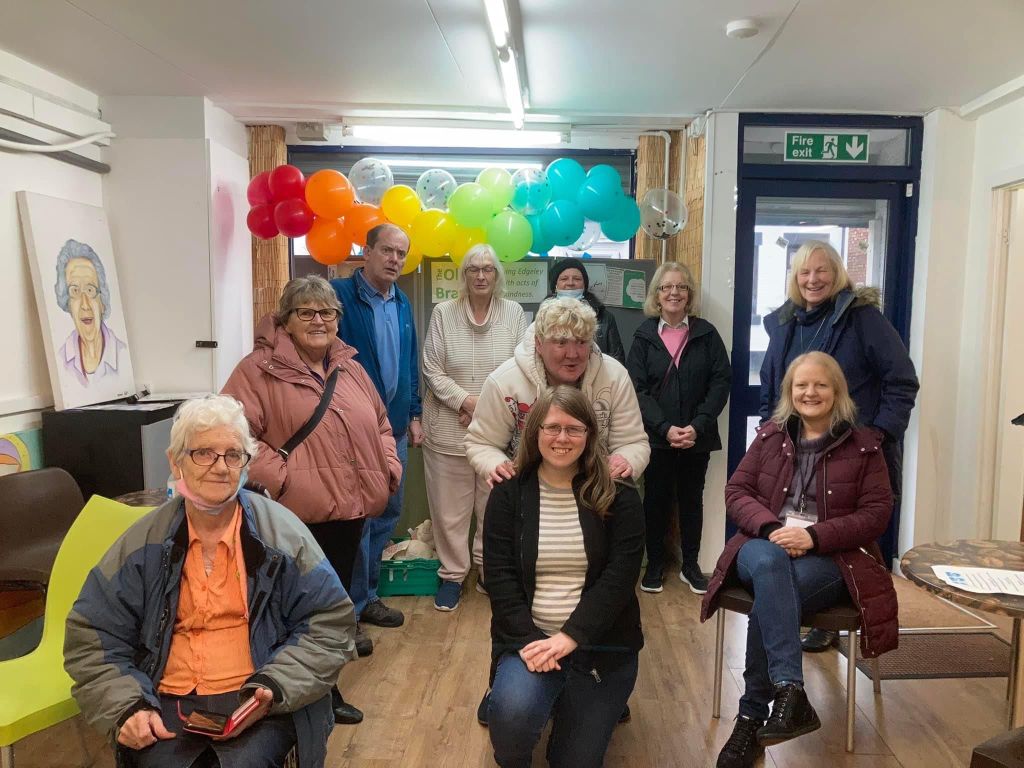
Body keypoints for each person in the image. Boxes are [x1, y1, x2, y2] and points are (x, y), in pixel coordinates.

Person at [65, 395, 354, 768]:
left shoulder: (284, 537)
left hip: (257, 697)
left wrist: (274, 686)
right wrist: (126, 706)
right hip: (163, 699)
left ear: (245, 464)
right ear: (176, 461)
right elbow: (92, 636)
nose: (220, 467)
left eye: (233, 455)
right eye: (203, 453)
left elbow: (329, 624)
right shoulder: (141, 545)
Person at [701, 353, 898, 768]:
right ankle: (790, 690)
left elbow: (876, 514)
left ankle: (751, 717)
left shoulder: (865, 446)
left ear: (837, 391)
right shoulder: (770, 437)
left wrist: (813, 536)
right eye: (801, 385)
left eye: (820, 385)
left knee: (771, 597)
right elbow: (737, 492)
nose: (810, 393)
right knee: (771, 568)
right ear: (789, 392)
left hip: (829, 556)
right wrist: (773, 528)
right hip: (762, 543)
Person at [221, 275, 402, 724]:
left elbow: (381, 422)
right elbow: (233, 433)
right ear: (286, 320)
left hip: (349, 511)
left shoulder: (350, 366)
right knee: (298, 609)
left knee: (332, 607)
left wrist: (387, 468)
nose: (319, 321)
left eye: (327, 313)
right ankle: (299, 694)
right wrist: (283, 480)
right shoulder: (257, 369)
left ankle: (323, 689)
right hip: (295, 515)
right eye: (306, 312)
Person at [758, 239, 917, 651]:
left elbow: (901, 381)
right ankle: (792, 624)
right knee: (793, 536)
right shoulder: (785, 322)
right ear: (794, 278)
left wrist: (877, 436)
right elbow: (772, 386)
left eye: (822, 270)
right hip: (795, 455)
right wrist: (768, 433)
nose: (813, 280)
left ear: (838, 274)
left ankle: (825, 614)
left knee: (840, 537)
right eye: (804, 272)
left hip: (851, 460)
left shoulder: (863, 319)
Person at [483, 386, 644, 768]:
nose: (562, 438)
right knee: (511, 717)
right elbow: (500, 579)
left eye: (574, 429)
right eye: (552, 427)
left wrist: (570, 637)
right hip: (531, 641)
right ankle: (524, 696)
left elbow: (620, 579)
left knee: (575, 761)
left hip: (600, 644)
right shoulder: (508, 493)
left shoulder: (619, 493)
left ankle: (575, 702)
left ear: (589, 434)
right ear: (535, 431)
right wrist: (531, 642)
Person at [421, 244, 527, 611]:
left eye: (488, 269)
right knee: (449, 511)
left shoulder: (514, 313)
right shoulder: (443, 313)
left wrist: (484, 410)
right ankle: (452, 575)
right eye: (473, 269)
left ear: (497, 275)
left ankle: (486, 570)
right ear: (463, 275)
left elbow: (522, 366)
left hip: (497, 433)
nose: (481, 275)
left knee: (493, 507)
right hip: (448, 428)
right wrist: (468, 403)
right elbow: (432, 369)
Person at [330, 223, 423, 633]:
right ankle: (347, 613)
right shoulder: (338, 297)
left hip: (395, 430)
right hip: (353, 432)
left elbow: (409, 363)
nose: (394, 260)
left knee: (388, 512)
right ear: (366, 252)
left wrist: (415, 413)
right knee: (357, 519)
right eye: (387, 250)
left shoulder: (401, 302)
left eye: (401, 253)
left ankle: (367, 598)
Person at [465, 296, 649, 488]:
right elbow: (482, 442)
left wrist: (625, 460)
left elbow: (633, 442)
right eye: (561, 343)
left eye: (581, 342)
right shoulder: (504, 381)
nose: (573, 354)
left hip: (596, 489)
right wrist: (496, 464)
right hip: (526, 490)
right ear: (538, 343)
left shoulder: (615, 377)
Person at [626, 261, 731, 595]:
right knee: (655, 501)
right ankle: (655, 565)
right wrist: (664, 427)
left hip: (697, 438)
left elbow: (720, 382)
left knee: (691, 501)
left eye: (681, 287)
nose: (674, 292)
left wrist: (697, 426)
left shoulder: (706, 334)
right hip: (657, 438)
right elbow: (636, 388)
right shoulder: (644, 336)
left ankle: (691, 566)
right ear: (657, 295)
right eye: (667, 287)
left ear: (690, 294)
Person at [54, 239, 129, 386]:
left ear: (102, 300)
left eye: (90, 290)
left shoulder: (122, 354)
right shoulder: (61, 359)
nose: (85, 305)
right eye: (75, 291)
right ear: (67, 302)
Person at [547, 257, 624, 363]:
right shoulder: (543, 316)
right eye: (564, 279)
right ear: (555, 286)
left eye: (577, 279)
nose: (570, 283)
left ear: (584, 285)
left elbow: (617, 359)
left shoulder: (604, 317)